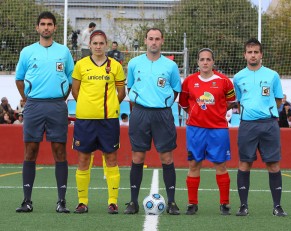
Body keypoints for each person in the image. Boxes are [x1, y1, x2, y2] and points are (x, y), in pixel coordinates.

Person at [15, 11, 74, 213]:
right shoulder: (27, 52)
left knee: (59, 151)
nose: (46, 27)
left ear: (55, 28)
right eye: (43, 24)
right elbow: (19, 79)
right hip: (34, 106)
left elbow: (71, 78)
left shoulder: (64, 52)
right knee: (30, 151)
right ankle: (27, 201)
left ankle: (61, 201)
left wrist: (62, 98)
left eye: (50, 24)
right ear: (37, 27)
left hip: (57, 106)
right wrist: (28, 98)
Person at [124, 28, 182, 215]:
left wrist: (162, 104)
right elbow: (131, 87)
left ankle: (172, 203)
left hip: (162, 115)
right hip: (140, 114)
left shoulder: (170, 66)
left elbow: (174, 90)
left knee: (166, 157)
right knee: (138, 157)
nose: (154, 42)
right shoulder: (134, 63)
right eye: (151, 39)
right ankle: (133, 202)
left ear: (162, 41)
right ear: (146, 40)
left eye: (157, 39)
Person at [72, 29, 126, 214]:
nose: (98, 46)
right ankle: (82, 202)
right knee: (83, 159)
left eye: (101, 43)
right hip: (85, 120)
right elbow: (75, 91)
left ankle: (113, 202)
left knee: (111, 158)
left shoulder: (115, 66)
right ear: (90, 45)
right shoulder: (80, 65)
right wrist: (88, 106)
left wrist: (110, 106)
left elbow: (121, 93)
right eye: (94, 43)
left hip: (108, 120)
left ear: (106, 45)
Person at [233, 38, 287, 217]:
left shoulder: (272, 75)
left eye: (256, 52)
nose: (253, 55)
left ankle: (277, 206)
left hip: (269, 124)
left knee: (273, 164)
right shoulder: (239, 77)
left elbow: (278, 100)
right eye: (250, 52)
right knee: (244, 163)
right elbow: (240, 101)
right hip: (247, 125)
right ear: (244, 55)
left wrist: (266, 111)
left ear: (261, 54)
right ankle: (243, 206)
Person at [179, 48, 236, 215]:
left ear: (213, 62)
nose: (205, 62)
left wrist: (216, 113)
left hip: (218, 129)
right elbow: (183, 103)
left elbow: (231, 102)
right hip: (195, 130)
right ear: (197, 62)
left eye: (208, 59)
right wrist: (196, 115)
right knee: (194, 164)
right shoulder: (189, 81)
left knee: (220, 164)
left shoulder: (224, 81)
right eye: (202, 59)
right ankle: (192, 203)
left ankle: (224, 204)